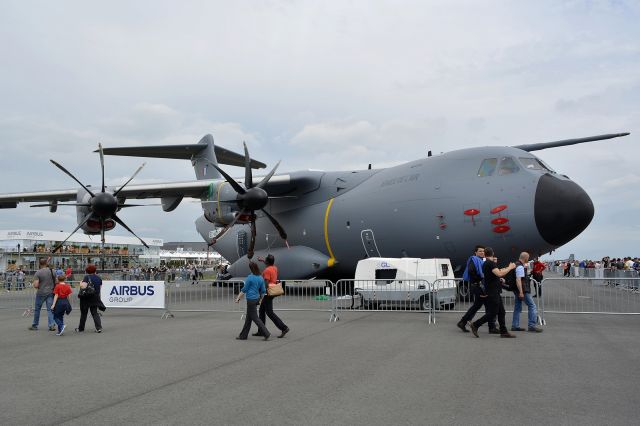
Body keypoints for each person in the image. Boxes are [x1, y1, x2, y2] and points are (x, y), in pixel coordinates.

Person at [469, 247, 516, 338]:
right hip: (493, 292)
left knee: (501, 312)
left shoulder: (486, 263)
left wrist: (500, 277)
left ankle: (503, 331)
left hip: (494, 291)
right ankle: (475, 324)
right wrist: (510, 267)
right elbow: (499, 273)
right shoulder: (490, 263)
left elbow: (496, 274)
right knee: (492, 313)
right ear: (493, 253)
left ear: (485, 254)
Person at [457, 245, 498, 333]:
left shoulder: (482, 261)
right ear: (475, 252)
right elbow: (471, 271)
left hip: (481, 286)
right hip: (479, 286)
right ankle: (491, 327)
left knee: (478, 306)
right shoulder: (474, 259)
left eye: (483, 251)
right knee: (488, 306)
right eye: (480, 251)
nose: (482, 252)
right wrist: (479, 280)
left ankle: (463, 322)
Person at [253, 254, 289, 338]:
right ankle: (261, 330)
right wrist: (261, 260)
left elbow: (265, 283)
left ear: (268, 262)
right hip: (272, 290)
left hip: (267, 292)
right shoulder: (274, 268)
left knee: (269, 312)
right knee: (262, 311)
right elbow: (268, 263)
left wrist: (261, 293)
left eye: (265, 260)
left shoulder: (267, 270)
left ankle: (284, 328)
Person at [234, 262, 270, 340]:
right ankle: (243, 335)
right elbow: (263, 291)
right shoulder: (260, 278)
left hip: (251, 299)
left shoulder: (250, 278)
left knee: (255, 318)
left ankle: (266, 333)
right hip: (256, 298)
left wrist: (238, 298)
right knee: (248, 318)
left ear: (250, 269)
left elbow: (244, 290)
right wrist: (260, 300)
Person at [510, 252, 543, 333]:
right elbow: (518, 280)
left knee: (517, 308)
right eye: (528, 258)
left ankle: (515, 325)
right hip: (523, 290)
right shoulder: (520, 267)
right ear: (525, 258)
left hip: (517, 289)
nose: (528, 259)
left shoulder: (516, 264)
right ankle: (532, 325)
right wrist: (521, 292)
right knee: (532, 306)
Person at [29, 258, 57, 331]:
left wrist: (34, 284)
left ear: (39, 264)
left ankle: (35, 325)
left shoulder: (38, 272)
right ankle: (51, 325)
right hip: (50, 292)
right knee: (50, 309)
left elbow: (36, 285)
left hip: (41, 293)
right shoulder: (52, 271)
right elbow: (56, 281)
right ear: (46, 263)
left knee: (37, 309)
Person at [76, 264, 103, 333]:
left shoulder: (86, 277)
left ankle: (81, 328)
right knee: (94, 313)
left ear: (87, 270)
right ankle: (98, 328)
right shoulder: (99, 278)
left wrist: (80, 283)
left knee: (84, 313)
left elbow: (83, 287)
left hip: (86, 298)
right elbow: (99, 288)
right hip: (95, 297)